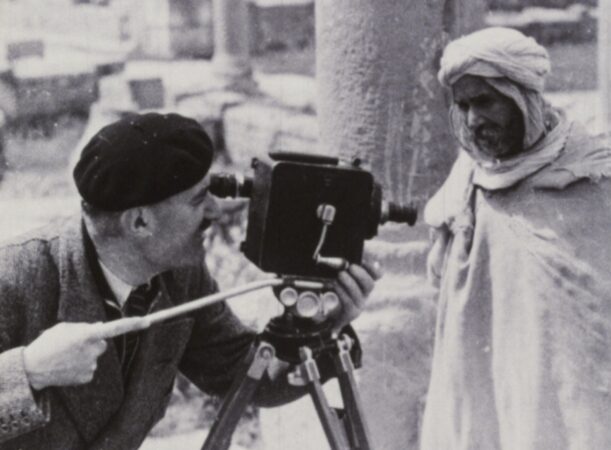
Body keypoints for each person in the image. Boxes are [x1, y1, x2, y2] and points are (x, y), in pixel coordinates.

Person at [0, 112, 379, 449]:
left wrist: (320, 327)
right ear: (140, 222)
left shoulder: (179, 277)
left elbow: (248, 377)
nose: (217, 211)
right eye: (200, 200)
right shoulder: (15, 277)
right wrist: (30, 369)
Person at [421, 27, 611, 450]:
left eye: (485, 101)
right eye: (463, 105)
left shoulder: (591, 176)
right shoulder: (465, 181)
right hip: (487, 384)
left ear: (521, 96)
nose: (473, 120)